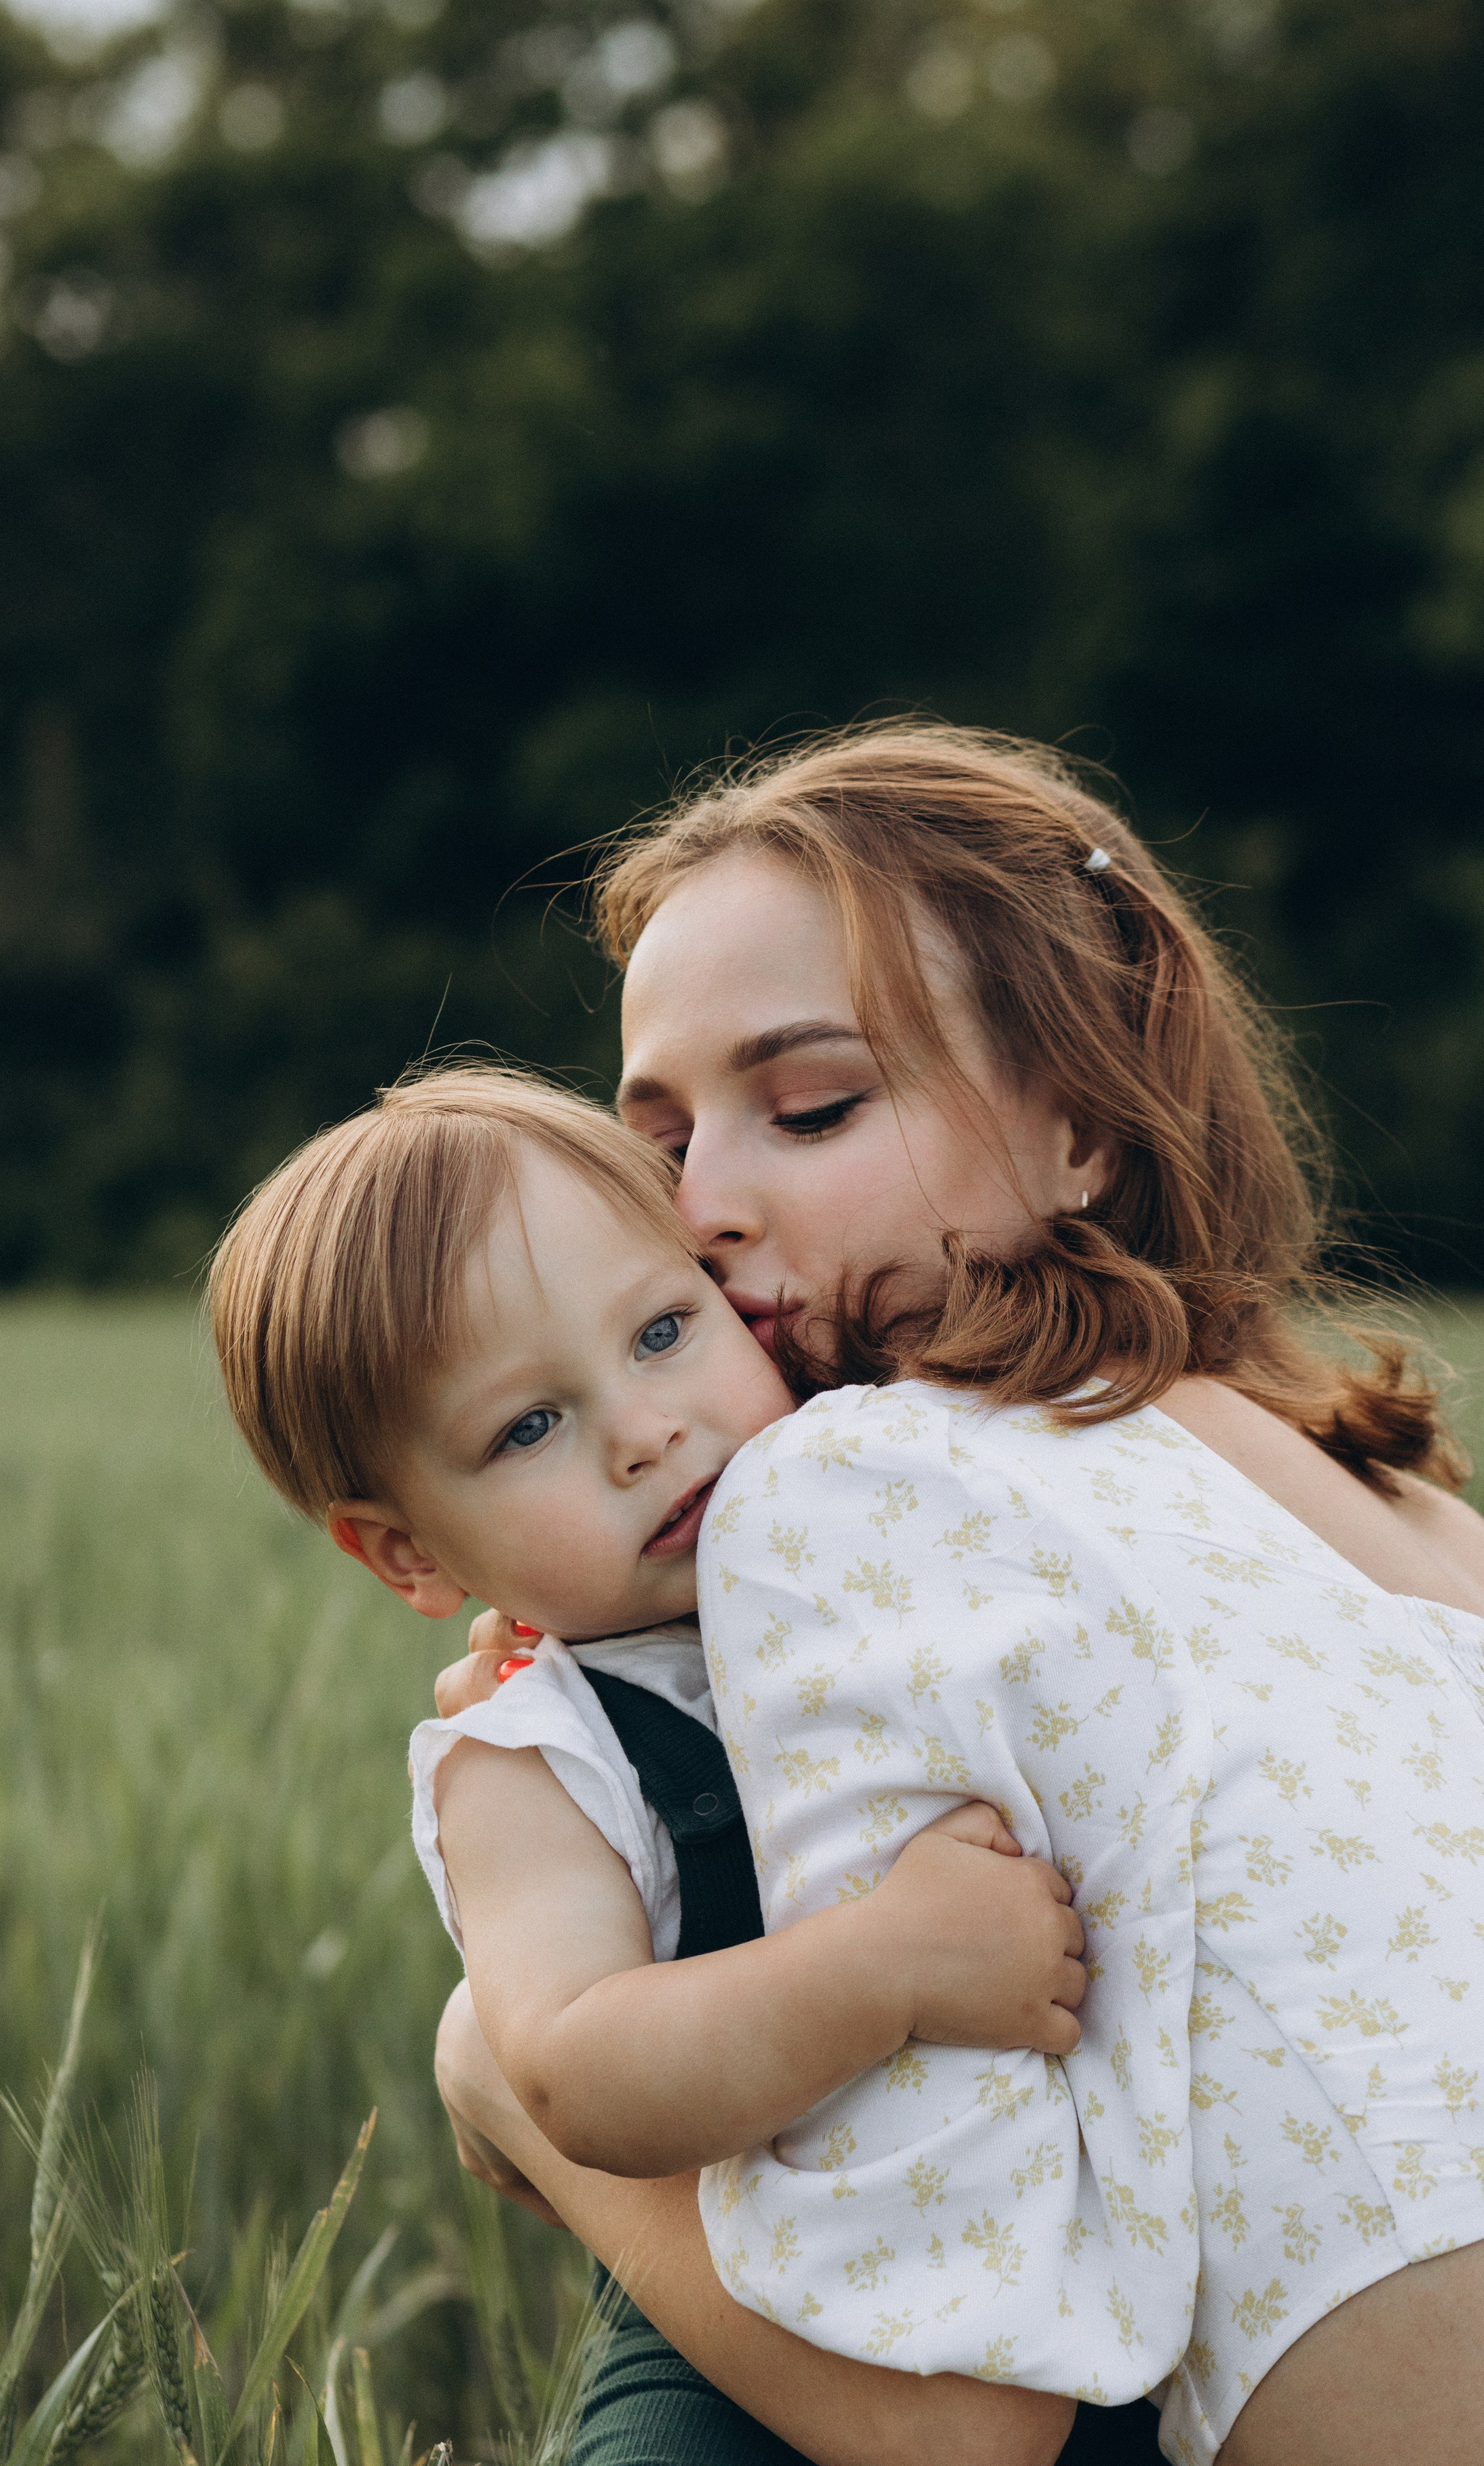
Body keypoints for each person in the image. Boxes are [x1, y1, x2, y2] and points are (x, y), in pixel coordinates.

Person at [433, 723, 1484, 2466]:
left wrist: (520, 2084)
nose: (696, 1214)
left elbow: (945, 2424)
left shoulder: (852, 1485)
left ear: (1080, 1123)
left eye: (811, 1108)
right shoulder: (1410, 1508)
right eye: (661, 1143)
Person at [209, 1067, 1094, 2466]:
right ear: (409, 1552)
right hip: (747, 2360)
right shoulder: (537, 1752)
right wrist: (892, 1965)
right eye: (525, 1428)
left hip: (1091, 2291)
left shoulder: (895, 1538)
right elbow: (570, 2067)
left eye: (665, 1330)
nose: (641, 1427)